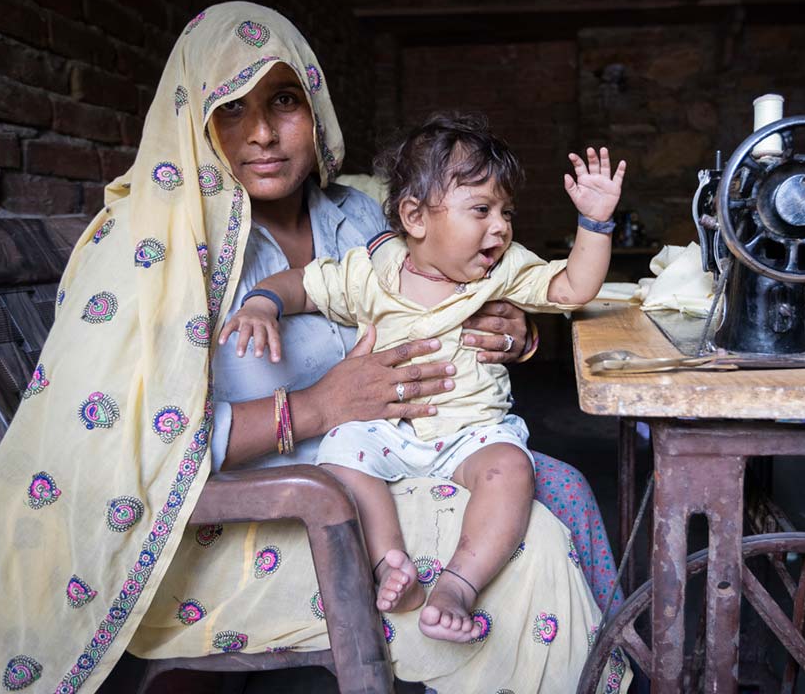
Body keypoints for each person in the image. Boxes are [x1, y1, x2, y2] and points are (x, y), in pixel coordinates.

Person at [0, 1, 629, 694]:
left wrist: (517, 333)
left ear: (315, 109)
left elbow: (461, 278)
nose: (261, 133)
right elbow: (113, 445)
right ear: (192, 120)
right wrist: (315, 409)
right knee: (536, 543)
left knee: (557, 484)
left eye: (283, 100)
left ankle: (608, 670)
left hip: (403, 454)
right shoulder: (157, 248)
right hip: (259, 514)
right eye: (230, 108)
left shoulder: (362, 210)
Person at [220, 112, 625, 642]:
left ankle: (459, 583)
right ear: (414, 217)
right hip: (388, 431)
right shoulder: (376, 267)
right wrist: (261, 303)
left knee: (510, 468)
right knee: (342, 454)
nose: (500, 226)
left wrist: (594, 224)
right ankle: (391, 565)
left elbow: (574, 287)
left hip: (469, 434)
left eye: (506, 212)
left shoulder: (500, 269)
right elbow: (306, 285)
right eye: (481, 210)